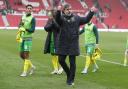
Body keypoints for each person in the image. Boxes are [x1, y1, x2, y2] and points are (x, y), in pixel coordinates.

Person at [53, 3, 97, 85]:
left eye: (70, 9)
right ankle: (69, 73)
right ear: (64, 10)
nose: (69, 10)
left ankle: (70, 80)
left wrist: (91, 12)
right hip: (63, 43)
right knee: (61, 60)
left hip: (73, 43)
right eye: (67, 9)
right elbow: (57, 19)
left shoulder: (76, 18)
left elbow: (86, 19)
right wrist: (58, 11)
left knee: (72, 62)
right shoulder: (61, 19)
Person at [16, 4, 36, 77]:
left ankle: (24, 72)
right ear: (26, 9)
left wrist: (25, 29)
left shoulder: (33, 18)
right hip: (22, 38)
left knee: (26, 55)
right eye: (28, 8)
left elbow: (32, 30)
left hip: (28, 38)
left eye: (31, 8)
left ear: (32, 10)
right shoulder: (23, 16)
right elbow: (19, 25)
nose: (29, 9)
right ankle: (32, 67)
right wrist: (20, 28)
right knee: (21, 55)